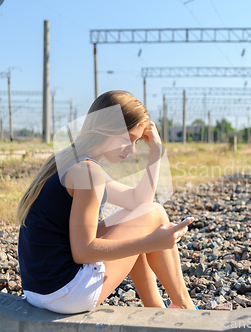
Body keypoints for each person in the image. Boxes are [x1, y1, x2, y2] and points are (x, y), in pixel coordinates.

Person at [16, 90, 197, 314]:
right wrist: (151, 242)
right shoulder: (88, 172)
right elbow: (82, 251)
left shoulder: (71, 160)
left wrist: (156, 152)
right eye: (129, 139)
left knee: (145, 217)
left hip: (38, 289)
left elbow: (139, 202)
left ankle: (160, 311)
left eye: (136, 142)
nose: (131, 150)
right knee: (154, 215)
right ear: (109, 129)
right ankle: (188, 309)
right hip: (64, 292)